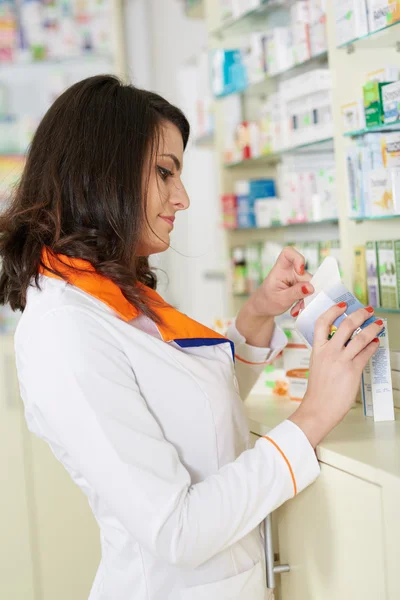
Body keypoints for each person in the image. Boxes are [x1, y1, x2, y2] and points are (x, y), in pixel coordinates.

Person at [0, 75, 383, 600]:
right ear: (100, 174)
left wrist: (257, 314)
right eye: (165, 173)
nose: (181, 199)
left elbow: (190, 408)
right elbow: (175, 530)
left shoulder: (111, 294)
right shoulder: (63, 331)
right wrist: (314, 413)